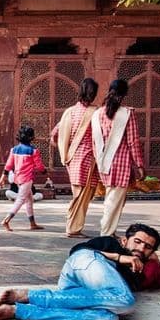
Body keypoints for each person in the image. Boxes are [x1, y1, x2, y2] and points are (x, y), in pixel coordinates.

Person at [0, 223, 160, 320]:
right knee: (125, 301)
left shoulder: (140, 269)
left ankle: (17, 311)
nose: (141, 249)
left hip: (82, 294)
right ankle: (30, 296)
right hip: (82, 265)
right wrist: (119, 257)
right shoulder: (111, 243)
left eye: (148, 247)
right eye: (137, 242)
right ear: (125, 240)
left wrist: (154, 263)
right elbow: (78, 250)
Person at [91, 79, 145, 236]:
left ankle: (109, 231)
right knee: (113, 201)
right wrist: (139, 165)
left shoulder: (97, 114)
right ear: (125, 93)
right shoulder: (127, 113)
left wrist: (99, 161)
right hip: (121, 163)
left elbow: (94, 141)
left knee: (112, 198)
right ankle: (106, 234)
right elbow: (133, 142)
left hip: (104, 162)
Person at [50, 77, 99, 237]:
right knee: (83, 196)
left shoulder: (69, 112)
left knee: (78, 194)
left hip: (72, 159)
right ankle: (73, 228)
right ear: (94, 94)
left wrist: (63, 147)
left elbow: (54, 134)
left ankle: (73, 225)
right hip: (89, 158)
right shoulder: (96, 113)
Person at [0, 126, 46, 231]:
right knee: (20, 200)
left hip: (18, 178)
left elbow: (8, 165)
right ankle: (6, 220)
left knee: (29, 200)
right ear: (32, 137)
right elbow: (39, 166)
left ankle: (32, 223)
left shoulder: (14, 149)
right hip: (27, 179)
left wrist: (3, 177)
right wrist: (44, 172)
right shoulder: (33, 151)